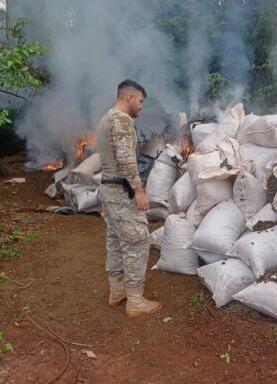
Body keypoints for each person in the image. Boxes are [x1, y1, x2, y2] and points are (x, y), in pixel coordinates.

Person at [96, 79, 162, 317]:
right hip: (122, 192)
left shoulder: (106, 118)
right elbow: (126, 159)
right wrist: (139, 190)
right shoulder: (122, 120)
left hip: (108, 190)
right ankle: (135, 300)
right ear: (130, 97)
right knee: (137, 241)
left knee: (115, 240)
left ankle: (117, 292)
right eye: (141, 101)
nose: (142, 107)